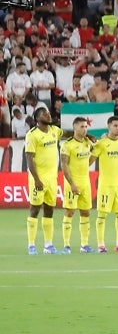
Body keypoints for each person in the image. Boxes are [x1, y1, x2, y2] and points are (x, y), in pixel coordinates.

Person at [25, 106, 64, 255]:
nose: (48, 115)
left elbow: (64, 133)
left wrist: (86, 136)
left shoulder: (54, 130)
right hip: (38, 178)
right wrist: (36, 179)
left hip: (52, 178)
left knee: (49, 210)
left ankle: (48, 245)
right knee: (34, 209)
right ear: (37, 119)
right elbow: (29, 158)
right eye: (44, 114)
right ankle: (31, 245)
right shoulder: (32, 135)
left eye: (48, 113)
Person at [92, 116, 118, 253]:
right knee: (102, 216)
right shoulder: (101, 143)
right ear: (109, 126)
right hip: (105, 185)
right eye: (115, 125)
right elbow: (90, 160)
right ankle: (101, 245)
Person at [60, 117, 95, 253]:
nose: (85, 129)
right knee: (70, 211)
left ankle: (84, 245)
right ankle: (66, 245)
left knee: (85, 212)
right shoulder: (67, 145)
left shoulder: (88, 143)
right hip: (72, 184)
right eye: (82, 127)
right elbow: (64, 166)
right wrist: (72, 184)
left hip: (85, 183)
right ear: (75, 128)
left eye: (86, 127)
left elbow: (91, 157)